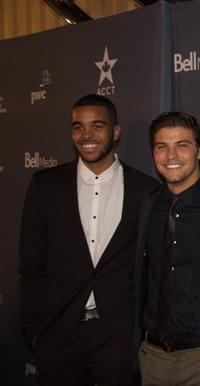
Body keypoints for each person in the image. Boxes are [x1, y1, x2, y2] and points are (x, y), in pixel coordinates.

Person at [19, 94, 159, 386]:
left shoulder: (145, 190)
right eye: (78, 127)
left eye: (97, 126)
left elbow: (152, 268)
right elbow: (31, 264)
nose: (86, 135)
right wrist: (35, 331)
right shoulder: (46, 185)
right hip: (58, 333)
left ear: (115, 132)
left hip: (117, 337)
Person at [134, 112, 200, 385]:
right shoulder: (146, 203)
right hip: (151, 356)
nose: (171, 155)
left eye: (182, 145)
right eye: (161, 147)